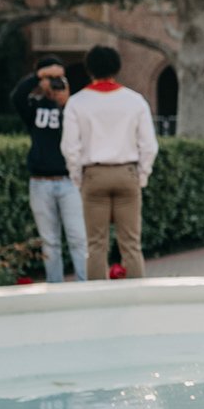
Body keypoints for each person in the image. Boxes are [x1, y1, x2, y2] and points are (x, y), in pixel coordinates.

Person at [62, 46, 158, 280]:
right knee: (131, 245)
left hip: (94, 175)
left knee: (96, 245)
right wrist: (141, 176)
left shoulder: (77, 102)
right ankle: (136, 297)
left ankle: (98, 302)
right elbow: (149, 145)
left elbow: (69, 147)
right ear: (117, 67)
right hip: (127, 173)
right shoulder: (135, 101)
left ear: (89, 69)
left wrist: (78, 177)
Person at [12, 61, 89, 282]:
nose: (55, 85)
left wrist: (65, 103)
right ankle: (55, 286)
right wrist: (38, 77)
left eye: (59, 79)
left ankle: (84, 284)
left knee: (77, 237)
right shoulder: (34, 107)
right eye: (51, 79)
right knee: (50, 241)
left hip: (69, 181)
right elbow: (17, 97)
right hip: (40, 181)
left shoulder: (72, 109)